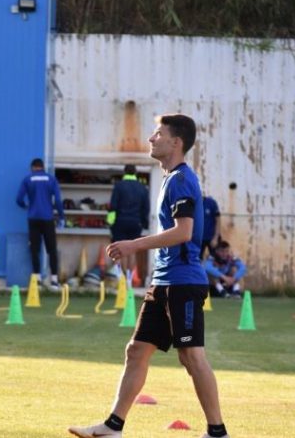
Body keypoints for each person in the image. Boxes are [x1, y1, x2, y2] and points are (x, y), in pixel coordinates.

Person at [68, 114, 230, 438]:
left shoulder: (182, 179)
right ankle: (113, 427)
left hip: (183, 282)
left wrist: (133, 244)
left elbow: (184, 232)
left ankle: (217, 431)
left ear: (176, 142)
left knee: (191, 355)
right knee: (137, 350)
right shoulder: (169, 179)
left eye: (158, 133)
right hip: (164, 281)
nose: (151, 139)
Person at [16, 158, 64, 288]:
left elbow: (19, 199)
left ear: (32, 167)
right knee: (52, 249)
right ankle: (54, 280)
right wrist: (61, 216)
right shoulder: (51, 179)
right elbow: (58, 200)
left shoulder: (28, 179)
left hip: (33, 218)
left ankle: (36, 280)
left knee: (34, 250)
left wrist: (26, 206)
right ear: (43, 167)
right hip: (48, 218)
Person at [106, 164, 149, 274]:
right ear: (135, 173)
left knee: (119, 251)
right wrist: (144, 223)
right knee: (132, 251)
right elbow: (146, 208)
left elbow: (113, 206)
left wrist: (110, 222)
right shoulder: (142, 188)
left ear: (124, 172)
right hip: (136, 223)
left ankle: (120, 277)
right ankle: (129, 279)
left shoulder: (119, 186)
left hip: (120, 223)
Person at [201, 194, 221, 259]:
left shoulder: (211, 202)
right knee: (197, 260)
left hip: (211, 238)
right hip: (199, 239)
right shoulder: (192, 203)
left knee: (216, 259)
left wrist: (216, 237)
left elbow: (218, 221)